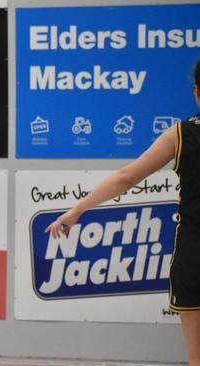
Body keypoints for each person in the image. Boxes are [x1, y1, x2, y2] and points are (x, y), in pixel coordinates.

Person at [46, 61, 200, 366]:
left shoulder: (182, 134)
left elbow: (127, 176)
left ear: (196, 92)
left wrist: (77, 210)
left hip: (193, 254)